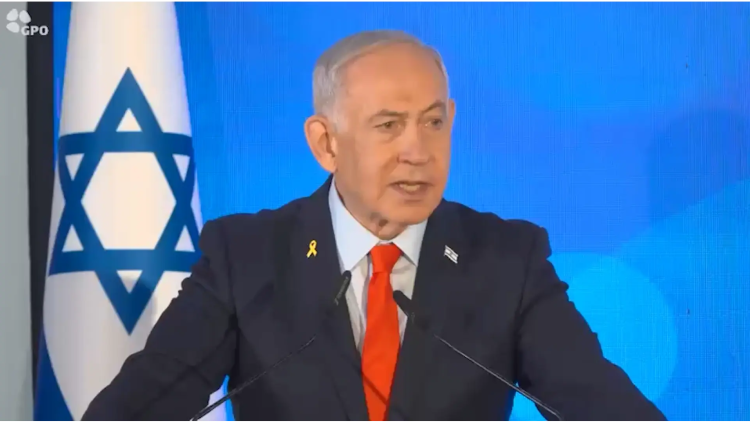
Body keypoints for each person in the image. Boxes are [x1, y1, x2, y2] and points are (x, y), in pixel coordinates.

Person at [82, 30, 667, 422]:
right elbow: (144, 402)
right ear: (326, 143)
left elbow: (598, 402)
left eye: (433, 123)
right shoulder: (247, 256)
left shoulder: (507, 260)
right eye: (388, 125)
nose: (418, 151)